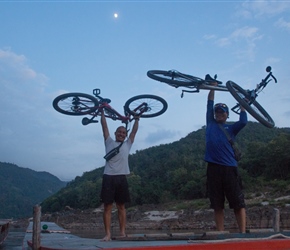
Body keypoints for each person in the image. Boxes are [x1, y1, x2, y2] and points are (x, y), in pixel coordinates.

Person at [205, 82, 248, 233]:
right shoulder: (210, 123)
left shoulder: (231, 128)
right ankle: (220, 233)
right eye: (217, 112)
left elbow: (243, 121)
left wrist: (243, 105)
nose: (218, 114)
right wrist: (212, 87)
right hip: (213, 169)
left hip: (230, 168)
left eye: (222, 112)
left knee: (238, 202)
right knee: (217, 204)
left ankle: (242, 232)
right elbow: (209, 104)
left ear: (227, 115)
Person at [100, 109, 139, 241]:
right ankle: (108, 234)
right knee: (107, 207)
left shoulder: (127, 144)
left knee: (121, 206)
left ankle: (122, 232)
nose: (121, 134)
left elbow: (133, 132)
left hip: (122, 177)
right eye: (119, 132)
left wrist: (137, 119)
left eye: (123, 133)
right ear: (115, 133)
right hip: (108, 177)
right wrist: (102, 113)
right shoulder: (109, 142)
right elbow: (104, 126)